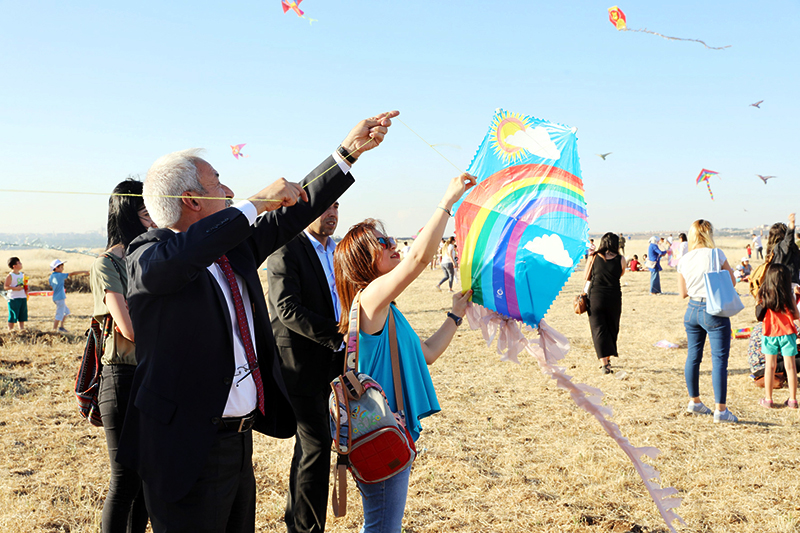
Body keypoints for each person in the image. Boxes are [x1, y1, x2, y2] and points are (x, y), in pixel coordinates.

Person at [117, 110, 398, 533]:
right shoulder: (149, 256)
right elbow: (179, 260)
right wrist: (256, 202)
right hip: (187, 450)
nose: (229, 190)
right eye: (216, 184)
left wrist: (347, 153)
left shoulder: (233, 250)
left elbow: (291, 214)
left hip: (237, 440)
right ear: (192, 200)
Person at [332, 173, 476, 533]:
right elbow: (416, 260)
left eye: (391, 238)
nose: (393, 244)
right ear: (362, 260)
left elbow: (426, 354)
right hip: (378, 433)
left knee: (384, 523)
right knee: (383, 527)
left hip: (392, 430)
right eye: (383, 242)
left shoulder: (387, 311)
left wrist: (455, 315)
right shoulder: (369, 302)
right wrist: (448, 200)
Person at [266, 201, 345, 533]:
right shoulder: (285, 248)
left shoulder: (338, 250)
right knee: (315, 447)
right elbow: (287, 308)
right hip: (298, 365)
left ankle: (296, 520)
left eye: (336, 206)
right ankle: (307, 528)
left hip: (333, 362)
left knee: (311, 447)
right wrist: (337, 333)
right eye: (324, 207)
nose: (331, 213)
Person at [91, 179, 155, 533]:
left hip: (152, 374)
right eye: (146, 213)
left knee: (148, 478)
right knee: (124, 479)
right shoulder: (106, 265)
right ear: (128, 214)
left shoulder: (151, 256)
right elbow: (128, 327)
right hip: (123, 377)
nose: (153, 220)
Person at [677, 219, 738, 423]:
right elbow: (732, 280)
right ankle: (721, 410)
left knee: (693, 357)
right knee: (719, 360)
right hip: (713, 310)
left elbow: (682, 293)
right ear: (710, 234)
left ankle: (695, 401)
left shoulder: (685, 259)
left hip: (692, 310)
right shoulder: (716, 254)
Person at [756, 263, 799, 409]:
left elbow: (758, 313)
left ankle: (768, 399)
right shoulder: (789, 295)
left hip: (769, 333)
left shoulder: (763, 294)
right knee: (791, 367)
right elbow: (796, 315)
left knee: (770, 366)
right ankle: (793, 400)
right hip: (788, 332)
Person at [585, 233, 626, 374]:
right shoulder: (621, 259)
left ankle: (604, 364)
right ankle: (607, 360)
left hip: (595, 297)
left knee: (598, 330)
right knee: (611, 328)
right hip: (614, 297)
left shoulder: (594, 256)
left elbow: (587, 276)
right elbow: (620, 274)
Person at [48, 259, 89, 332]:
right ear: (56, 268)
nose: (62, 269)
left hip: (56, 297)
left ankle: (61, 327)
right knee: (59, 314)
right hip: (59, 297)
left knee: (66, 312)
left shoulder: (51, 276)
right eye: (61, 267)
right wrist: (84, 272)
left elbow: (51, 286)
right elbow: (72, 273)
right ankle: (54, 330)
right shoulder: (59, 275)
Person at [5, 257, 27, 330]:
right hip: (13, 298)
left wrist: (27, 288)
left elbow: (24, 284)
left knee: (22, 315)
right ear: (14, 266)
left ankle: (22, 329)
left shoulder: (22, 274)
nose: (21, 264)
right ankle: (10, 330)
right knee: (13, 315)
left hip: (22, 297)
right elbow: (6, 287)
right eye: (19, 263)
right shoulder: (10, 275)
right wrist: (16, 288)